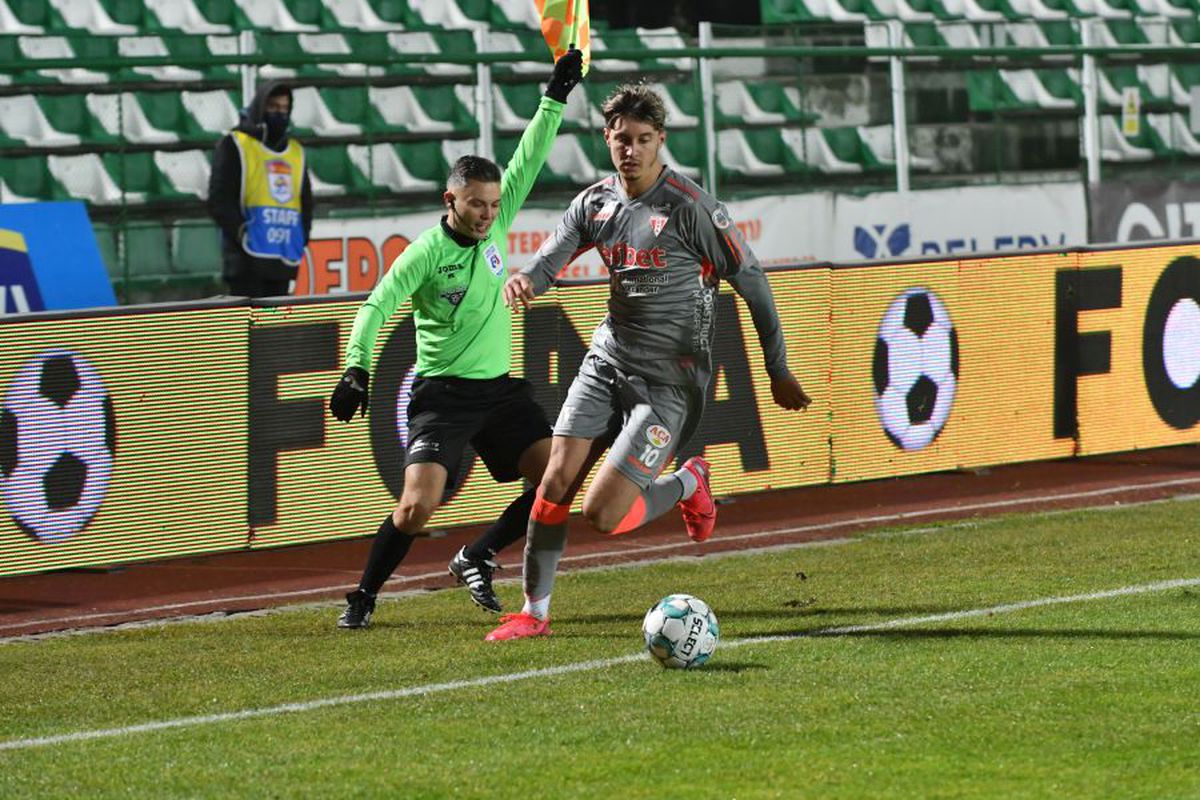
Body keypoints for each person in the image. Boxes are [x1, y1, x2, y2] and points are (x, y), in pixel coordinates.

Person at [486, 83, 812, 642]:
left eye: (642, 139)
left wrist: (776, 367)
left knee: (603, 514)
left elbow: (753, 283)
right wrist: (525, 279)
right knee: (554, 481)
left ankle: (688, 482)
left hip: (670, 383)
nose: (630, 150)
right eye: (620, 140)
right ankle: (533, 613)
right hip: (606, 360)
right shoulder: (595, 203)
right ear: (607, 141)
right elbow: (548, 261)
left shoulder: (691, 208)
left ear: (660, 140)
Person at [327, 50, 585, 629]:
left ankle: (479, 553)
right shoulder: (425, 253)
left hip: (498, 393)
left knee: (558, 480)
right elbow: (378, 304)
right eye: (476, 204)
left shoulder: (497, 217)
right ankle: (364, 596)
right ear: (451, 201)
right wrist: (356, 368)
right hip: (443, 396)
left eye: (495, 205)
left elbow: (530, 156)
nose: (488, 214)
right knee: (416, 507)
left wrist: (556, 95)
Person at [208, 80, 313, 298]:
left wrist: (301, 238)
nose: (279, 114)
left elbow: (306, 203)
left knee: (276, 331)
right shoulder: (234, 144)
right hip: (245, 263)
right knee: (246, 330)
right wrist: (241, 233)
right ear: (260, 107)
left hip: (283, 260)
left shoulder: (296, 151)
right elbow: (219, 199)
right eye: (273, 107)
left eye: (285, 109)